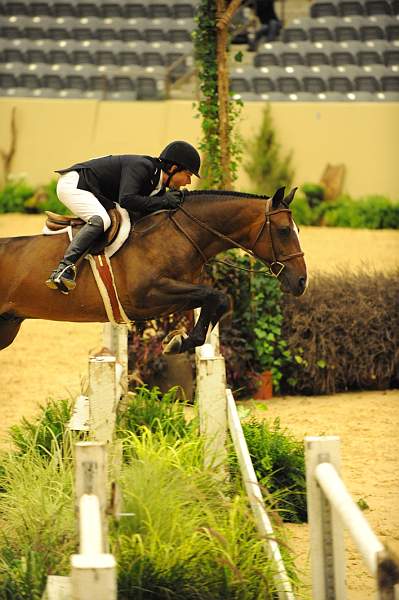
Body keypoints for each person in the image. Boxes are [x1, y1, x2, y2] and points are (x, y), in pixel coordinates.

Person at [45, 140, 201, 294]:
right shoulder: (143, 167)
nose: (188, 182)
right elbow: (127, 199)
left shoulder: (157, 185)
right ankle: (64, 268)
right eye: (187, 175)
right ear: (173, 168)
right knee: (102, 220)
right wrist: (164, 200)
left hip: (96, 191)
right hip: (75, 185)